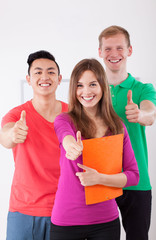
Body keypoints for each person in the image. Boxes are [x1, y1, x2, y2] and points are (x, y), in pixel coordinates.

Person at [50, 58, 139, 240]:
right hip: (66, 221)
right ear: (74, 90)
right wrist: (71, 146)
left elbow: (133, 176)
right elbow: (64, 135)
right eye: (80, 85)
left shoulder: (117, 126)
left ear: (102, 87)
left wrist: (99, 179)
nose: (86, 91)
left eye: (92, 84)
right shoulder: (64, 120)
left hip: (105, 222)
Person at [0, 50, 68, 240]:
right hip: (23, 211)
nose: (44, 77)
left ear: (59, 78)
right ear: (29, 79)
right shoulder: (16, 115)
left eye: (51, 72)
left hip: (64, 209)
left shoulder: (73, 115)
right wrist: (13, 133)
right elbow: (5, 137)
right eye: (38, 72)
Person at [98, 25, 156, 240]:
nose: (114, 54)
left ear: (129, 50)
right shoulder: (93, 90)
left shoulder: (143, 89)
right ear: (100, 52)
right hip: (102, 179)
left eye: (120, 48)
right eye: (108, 48)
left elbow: (150, 114)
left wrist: (140, 114)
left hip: (137, 181)